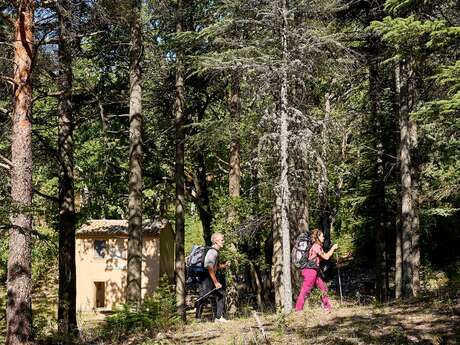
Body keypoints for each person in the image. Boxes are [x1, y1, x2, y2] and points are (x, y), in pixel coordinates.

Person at [295, 228, 338, 312]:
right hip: (310, 271)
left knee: (323, 287)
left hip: (314, 270)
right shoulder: (316, 246)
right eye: (322, 236)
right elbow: (326, 257)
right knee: (305, 290)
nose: (324, 238)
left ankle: (327, 307)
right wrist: (333, 248)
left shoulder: (316, 246)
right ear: (317, 237)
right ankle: (298, 309)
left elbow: (319, 258)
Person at [195, 232, 230, 322]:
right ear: (215, 241)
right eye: (222, 240)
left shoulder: (215, 252)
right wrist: (215, 282)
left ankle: (218, 317)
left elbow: (214, 266)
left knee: (221, 294)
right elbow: (209, 267)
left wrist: (224, 266)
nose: (223, 241)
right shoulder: (212, 252)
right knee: (204, 296)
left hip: (210, 276)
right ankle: (197, 318)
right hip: (206, 277)